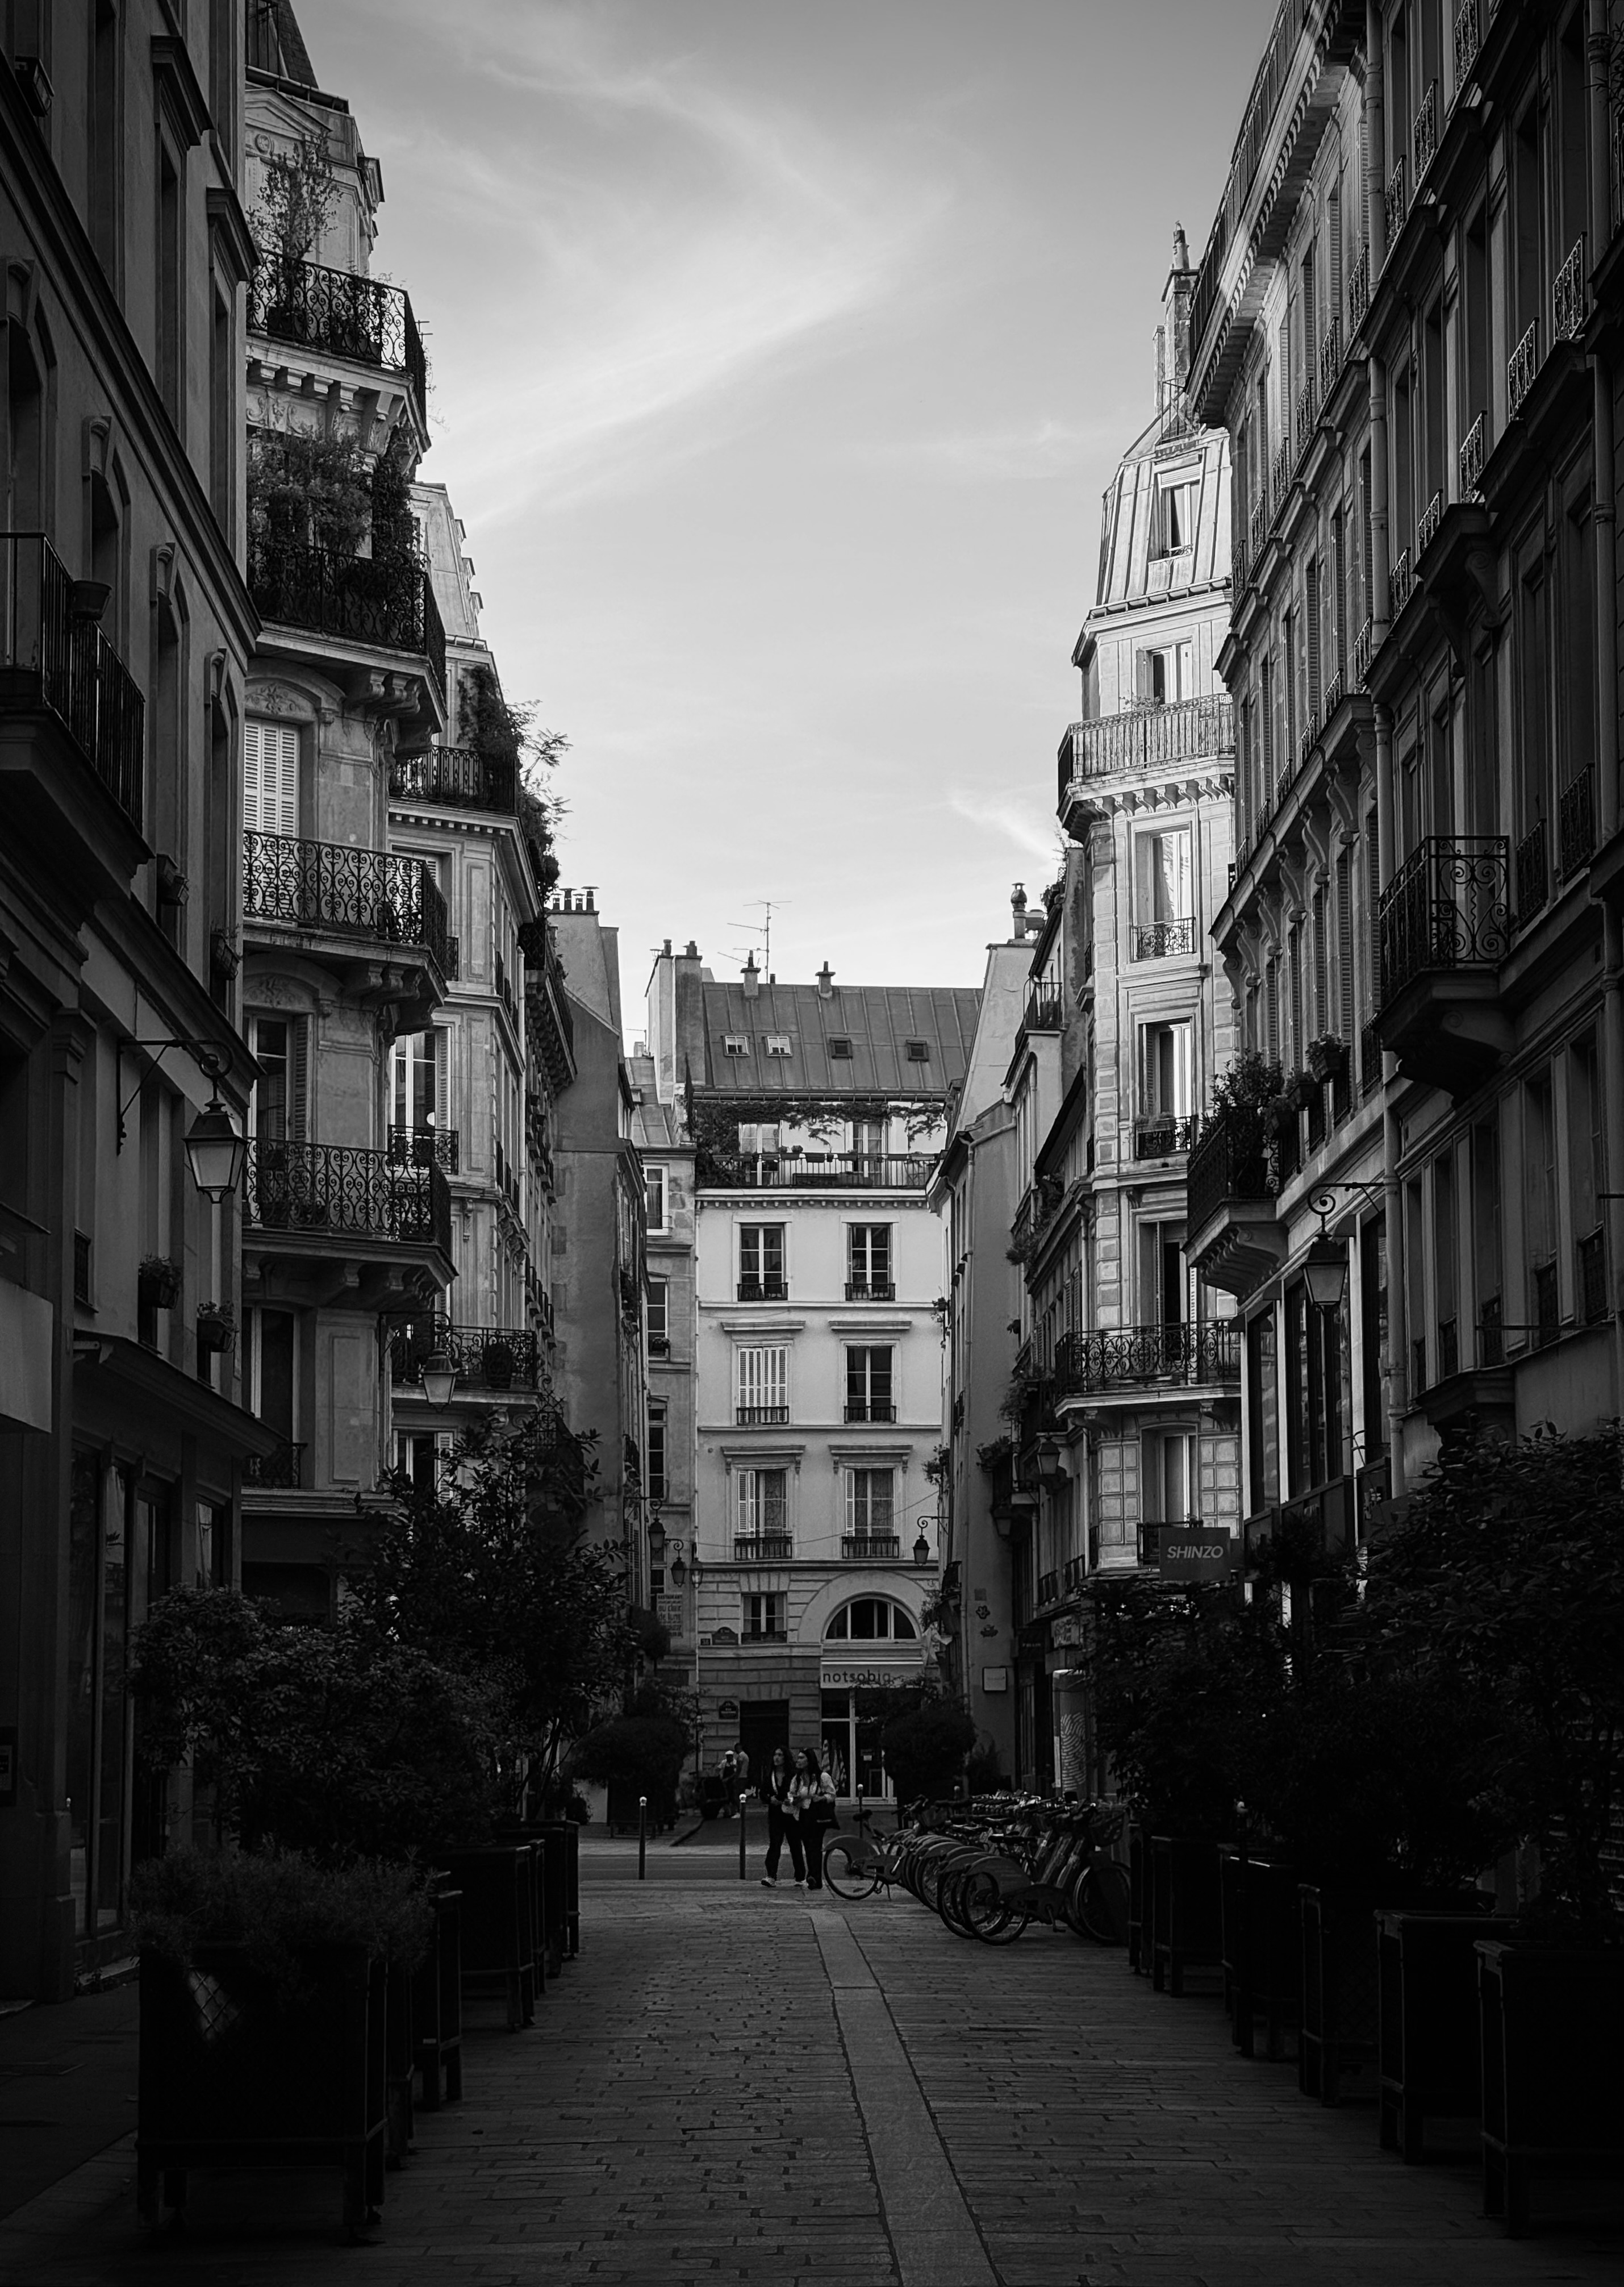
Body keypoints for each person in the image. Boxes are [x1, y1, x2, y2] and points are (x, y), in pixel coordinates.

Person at [789, 1746, 839, 1892]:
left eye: (802, 1758)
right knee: (808, 1846)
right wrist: (793, 1800)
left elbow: (832, 1794)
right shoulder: (797, 1778)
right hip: (802, 1814)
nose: (798, 1760)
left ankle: (814, 1877)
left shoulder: (822, 1777)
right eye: (798, 1758)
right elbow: (791, 1794)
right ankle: (814, 1877)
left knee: (815, 1846)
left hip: (816, 1815)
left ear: (809, 1760)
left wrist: (821, 1798)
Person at [758, 1746, 804, 1888]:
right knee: (775, 1844)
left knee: (795, 1844)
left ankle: (800, 1876)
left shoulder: (793, 1775)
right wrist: (769, 1799)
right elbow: (762, 1793)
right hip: (775, 1814)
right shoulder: (769, 1775)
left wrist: (788, 1800)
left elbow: (799, 1793)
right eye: (775, 1755)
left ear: (785, 1758)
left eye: (780, 1755)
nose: (777, 1758)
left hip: (790, 1813)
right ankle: (771, 1876)